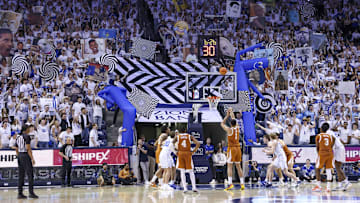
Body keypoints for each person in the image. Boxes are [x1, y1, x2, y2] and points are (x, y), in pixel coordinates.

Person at [221, 108, 245, 191]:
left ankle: (230, 183)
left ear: (230, 124)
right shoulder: (237, 127)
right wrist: (231, 112)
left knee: (230, 166)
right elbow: (234, 119)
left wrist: (227, 115)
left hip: (232, 148)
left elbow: (222, 123)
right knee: (238, 166)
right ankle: (242, 184)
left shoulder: (229, 129)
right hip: (238, 148)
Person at [173, 126, 200, 193]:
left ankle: (185, 188)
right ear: (185, 130)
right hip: (188, 153)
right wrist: (193, 151)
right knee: (191, 171)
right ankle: (194, 187)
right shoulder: (189, 136)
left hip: (181, 153)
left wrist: (175, 151)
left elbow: (171, 144)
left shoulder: (177, 137)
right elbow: (198, 143)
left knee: (182, 171)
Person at [15, 125, 38, 199]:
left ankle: (20, 193)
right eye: (29, 129)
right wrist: (32, 158)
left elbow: (16, 148)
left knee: (21, 175)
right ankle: (31, 193)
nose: (29, 130)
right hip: (25, 155)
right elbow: (28, 149)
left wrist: (18, 156)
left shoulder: (18, 136)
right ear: (26, 129)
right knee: (30, 175)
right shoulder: (26, 136)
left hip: (20, 155)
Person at [312, 123, 334, 192]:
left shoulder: (319, 136)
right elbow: (331, 145)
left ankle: (318, 186)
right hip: (330, 153)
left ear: (321, 129)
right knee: (328, 169)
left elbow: (317, 146)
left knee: (317, 168)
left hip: (322, 153)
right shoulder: (330, 136)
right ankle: (328, 187)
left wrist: (319, 153)